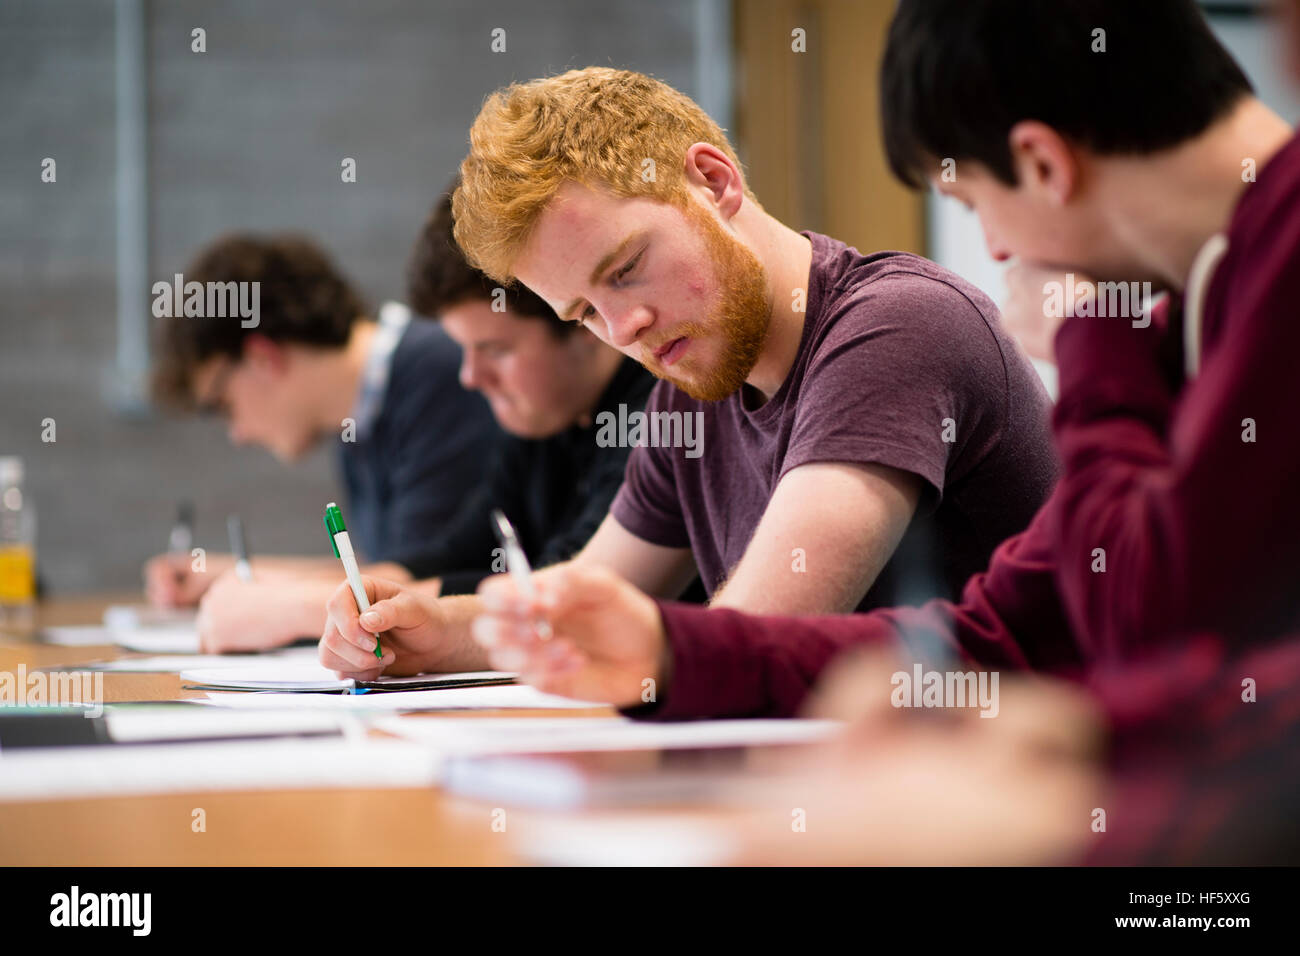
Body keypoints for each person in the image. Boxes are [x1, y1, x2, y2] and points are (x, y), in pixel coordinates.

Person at [468, 0, 1300, 720]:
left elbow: (1170, 624)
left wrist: (1095, 344)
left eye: (974, 206)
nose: (999, 251)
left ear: (1044, 164)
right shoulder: (1200, 303)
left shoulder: (1234, 289)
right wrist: (675, 651)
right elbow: (1004, 629)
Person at [319, 67, 1058, 678]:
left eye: (628, 269)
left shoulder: (898, 326)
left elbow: (752, 635)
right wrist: (435, 631)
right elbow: (599, 588)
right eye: (583, 312)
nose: (624, 328)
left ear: (713, 180)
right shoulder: (695, 378)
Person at [146, 233, 500, 648]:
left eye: (223, 404)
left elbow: (412, 592)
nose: (237, 434)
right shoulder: (359, 414)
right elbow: (386, 572)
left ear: (262, 357)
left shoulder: (442, 374)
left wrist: (270, 602)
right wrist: (236, 577)